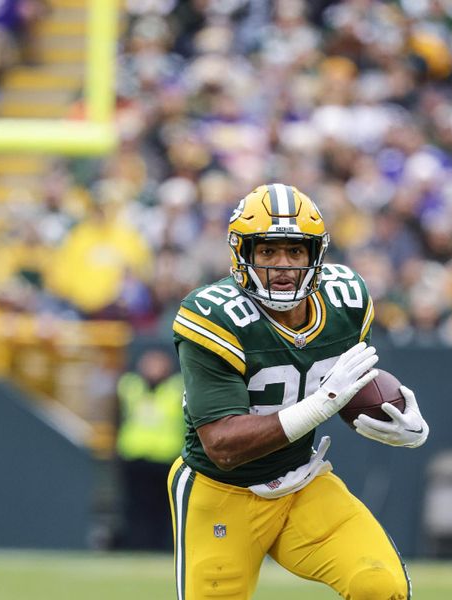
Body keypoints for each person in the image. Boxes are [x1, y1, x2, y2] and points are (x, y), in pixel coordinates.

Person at [168, 183, 430, 600]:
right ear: (244, 255)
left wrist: (404, 426)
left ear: (316, 255)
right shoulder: (213, 315)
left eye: (295, 251)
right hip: (221, 492)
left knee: (380, 585)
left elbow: (343, 385)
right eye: (268, 251)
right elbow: (222, 444)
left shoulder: (345, 299)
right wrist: (324, 404)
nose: (283, 265)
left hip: (302, 484)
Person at [114, 347, 185, 552]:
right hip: (135, 455)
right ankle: (137, 547)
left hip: (166, 457)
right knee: (135, 506)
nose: (153, 369)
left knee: (165, 508)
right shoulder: (130, 385)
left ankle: (163, 549)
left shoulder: (176, 387)